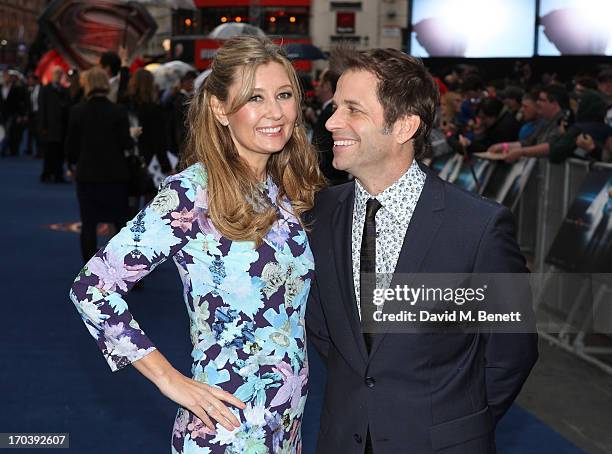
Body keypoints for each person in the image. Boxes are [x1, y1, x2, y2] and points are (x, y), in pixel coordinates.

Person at [69, 36, 323, 453]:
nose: (276, 112)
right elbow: (91, 287)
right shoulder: (192, 194)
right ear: (221, 109)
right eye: (255, 98)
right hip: (224, 427)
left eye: (284, 95)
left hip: (288, 423)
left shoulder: (284, 189)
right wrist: (169, 379)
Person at [305, 48, 538, 453]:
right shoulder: (322, 213)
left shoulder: (478, 227)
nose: (331, 121)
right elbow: (325, 330)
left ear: (404, 126)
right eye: (335, 106)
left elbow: (510, 354)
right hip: (342, 438)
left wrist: (450, 422)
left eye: (353, 110)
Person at [64, 67, 133, 262]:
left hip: (88, 175)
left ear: (87, 85)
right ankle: (126, 269)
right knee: (121, 224)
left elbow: (71, 146)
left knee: (88, 224)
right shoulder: (118, 111)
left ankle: (89, 271)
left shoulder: (78, 111)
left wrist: (71, 166)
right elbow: (125, 144)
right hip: (115, 174)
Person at [125, 68, 173, 213]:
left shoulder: (125, 107)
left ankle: (127, 232)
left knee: (129, 206)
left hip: (128, 160)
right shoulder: (154, 109)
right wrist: (166, 166)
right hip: (150, 162)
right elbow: (159, 141)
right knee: (150, 208)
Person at [310, 68, 349, 184]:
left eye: (354, 110)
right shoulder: (325, 110)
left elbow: (323, 147)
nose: (330, 124)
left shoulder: (327, 112)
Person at [38, 66, 70, 182]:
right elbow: (42, 109)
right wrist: (43, 127)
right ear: (52, 74)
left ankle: (58, 174)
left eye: (60, 73)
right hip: (50, 127)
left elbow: (68, 107)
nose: (58, 75)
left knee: (60, 153)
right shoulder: (45, 90)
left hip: (62, 127)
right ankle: (46, 174)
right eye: (56, 73)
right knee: (49, 152)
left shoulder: (65, 90)